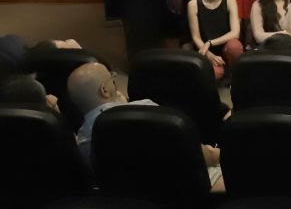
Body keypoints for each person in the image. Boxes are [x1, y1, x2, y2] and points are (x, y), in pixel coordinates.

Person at [68, 62, 223, 187]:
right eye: (112, 79)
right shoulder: (146, 109)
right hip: (181, 191)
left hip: (127, 203)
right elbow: (200, 156)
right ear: (104, 90)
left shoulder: (82, 142)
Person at [187, 0, 243, 79]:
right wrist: (209, 54)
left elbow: (235, 33)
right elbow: (196, 37)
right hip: (205, 49)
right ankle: (222, 72)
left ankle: (235, 74)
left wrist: (210, 42)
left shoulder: (230, 2)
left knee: (235, 46)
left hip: (225, 46)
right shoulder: (193, 4)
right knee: (214, 74)